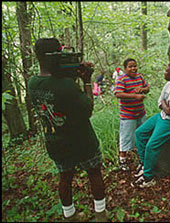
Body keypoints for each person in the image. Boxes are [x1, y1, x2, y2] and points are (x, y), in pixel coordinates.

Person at [28, 38, 110, 222]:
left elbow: (57, 91)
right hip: (82, 141)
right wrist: (87, 81)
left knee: (64, 177)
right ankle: (100, 214)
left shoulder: (33, 83)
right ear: (53, 56)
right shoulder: (65, 85)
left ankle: (70, 215)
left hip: (55, 141)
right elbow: (87, 108)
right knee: (94, 173)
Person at [131, 61, 170, 188]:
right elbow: (160, 102)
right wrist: (164, 103)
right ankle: (145, 164)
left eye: (166, 71)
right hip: (162, 116)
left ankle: (148, 178)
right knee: (140, 133)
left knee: (152, 145)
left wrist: (164, 104)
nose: (164, 72)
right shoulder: (168, 85)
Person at [114, 58, 149, 171]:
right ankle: (122, 161)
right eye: (130, 66)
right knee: (126, 137)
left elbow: (147, 88)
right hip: (128, 114)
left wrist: (142, 89)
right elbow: (118, 93)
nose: (133, 68)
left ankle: (142, 159)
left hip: (141, 113)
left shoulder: (140, 77)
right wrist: (134, 96)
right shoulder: (122, 79)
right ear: (125, 69)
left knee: (142, 135)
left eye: (135, 66)